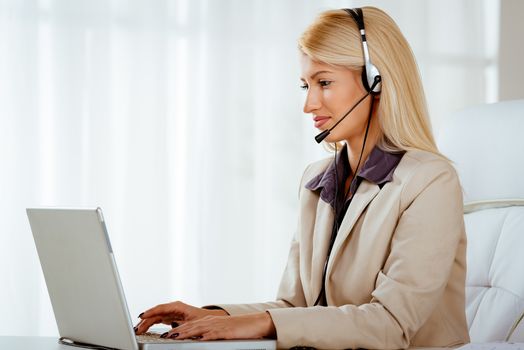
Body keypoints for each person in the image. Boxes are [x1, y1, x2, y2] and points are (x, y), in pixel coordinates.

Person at [135, 6, 470, 349]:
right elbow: (296, 308)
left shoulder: (430, 181)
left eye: (324, 83)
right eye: (305, 85)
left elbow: (391, 323)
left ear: (376, 82)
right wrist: (215, 317)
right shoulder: (318, 180)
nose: (309, 104)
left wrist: (257, 324)